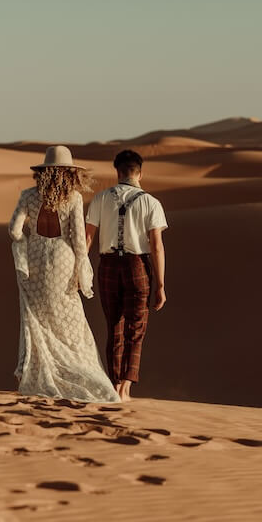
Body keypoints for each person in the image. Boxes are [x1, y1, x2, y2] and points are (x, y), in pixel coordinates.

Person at [8, 145, 120, 403]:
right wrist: (82, 270)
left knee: (37, 317)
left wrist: (24, 246)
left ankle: (35, 374)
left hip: (35, 261)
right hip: (63, 260)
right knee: (70, 322)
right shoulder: (74, 199)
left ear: (43, 172)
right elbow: (79, 240)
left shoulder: (27, 196)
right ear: (69, 173)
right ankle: (84, 376)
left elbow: (14, 230)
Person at [85, 149, 168, 402]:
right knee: (136, 328)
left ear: (117, 172)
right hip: (137, 266)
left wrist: (81, 267)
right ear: (140, 173)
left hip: (108, 265)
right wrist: (161, 285)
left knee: (115, 327)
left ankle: (114, 383)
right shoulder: (151, 202)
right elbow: (156, 246)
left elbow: (87, 238)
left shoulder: (100, 199)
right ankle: (126, 389)